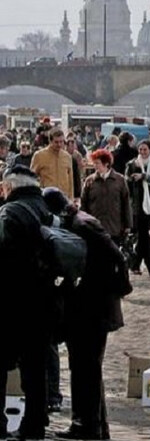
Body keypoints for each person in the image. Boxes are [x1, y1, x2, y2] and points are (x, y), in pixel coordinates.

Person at [41, 188, 127, 441]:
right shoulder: (82, 222)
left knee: (85, 368)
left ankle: (87, 426)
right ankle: (94, 425)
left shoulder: (82, 226)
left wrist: (111, 289)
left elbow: (115, 258)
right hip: (93, 307)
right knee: (88, 369)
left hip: (92, 310)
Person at [0, 166, 56, 440]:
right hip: (45, 299)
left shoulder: (10, 213)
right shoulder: (47, 208)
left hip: (13, 302)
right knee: (36, 367)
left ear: (9, 187)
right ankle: (35, 425)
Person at [125, 140, 150, 276]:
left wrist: (145, 177)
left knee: (143, 235)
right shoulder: (132, 164)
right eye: (140, 149)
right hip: (136, 205)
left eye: (145, 149)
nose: (142, 152)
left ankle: (135, 264)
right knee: (143, 234)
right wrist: (132, 179)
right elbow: (126, 183)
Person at [81, 150, 132, 246]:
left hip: (114, 227)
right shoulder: (90, 181)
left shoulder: (119, 180)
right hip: (95, 226)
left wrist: (128, 225)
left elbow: (125, 203)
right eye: (94, 163)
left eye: (97, 163)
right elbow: (84, 202)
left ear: (106, 163)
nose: (95, 166)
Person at [30, 128, 74, 199]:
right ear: (50, 141)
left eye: (61, 142)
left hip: (63, 199)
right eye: (56, 142)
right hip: (46, 199)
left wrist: (71, 199)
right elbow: (31, 178)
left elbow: (70, 180)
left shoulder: (67, 157)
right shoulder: (39, 156)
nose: (59, 144)